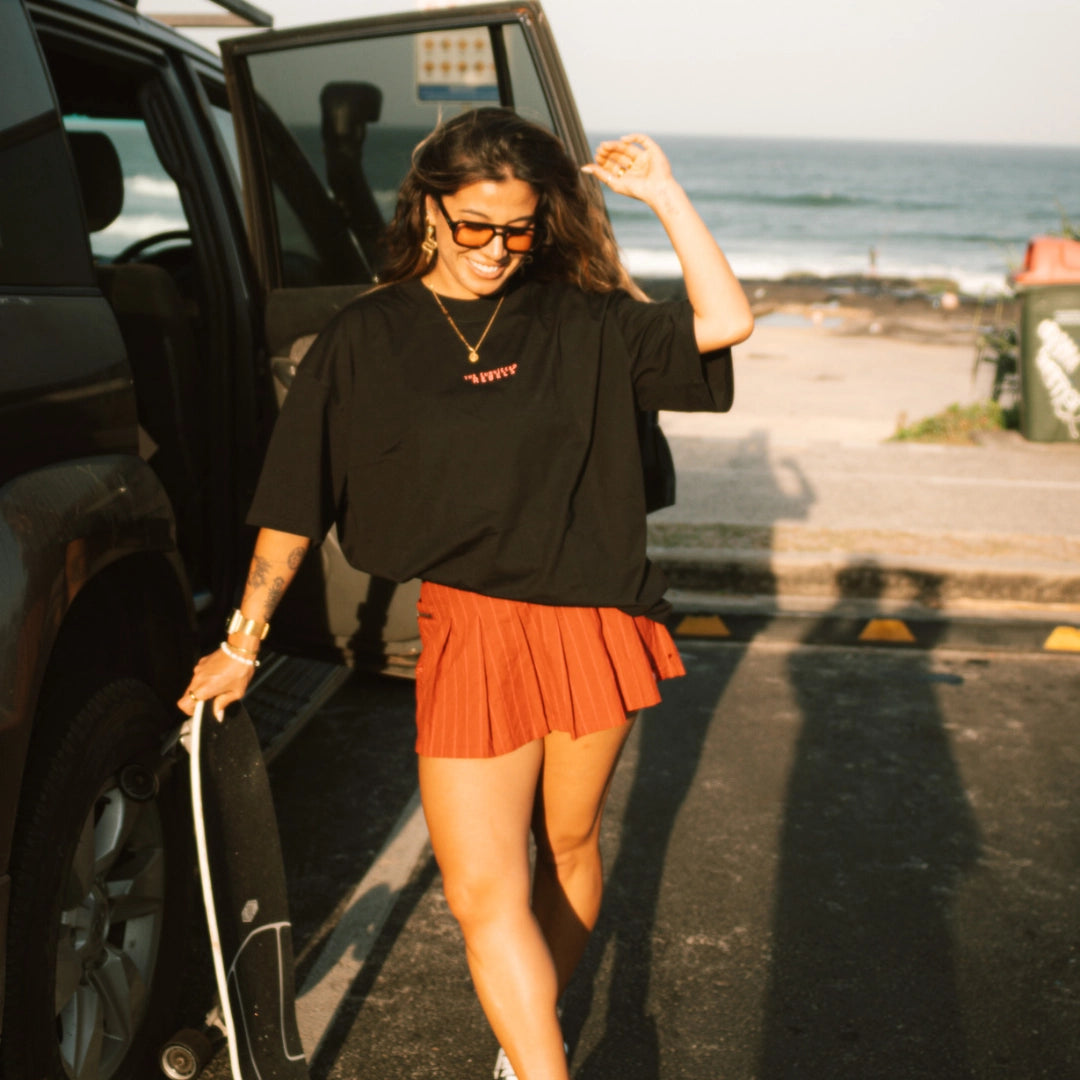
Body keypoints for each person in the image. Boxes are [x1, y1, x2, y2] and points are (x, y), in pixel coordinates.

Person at [178, 107, 752, 1080]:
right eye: (476, 225)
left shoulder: (579, 315)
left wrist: (663, 196)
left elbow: (725, 323)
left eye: (519, 226)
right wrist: (243, 639)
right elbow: (293, 502)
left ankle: (528, 1041)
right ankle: (541, 1068)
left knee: (566, 852)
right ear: (431, 211)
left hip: (592, 624)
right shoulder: (365, 336)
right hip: (471, 631)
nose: (496, 249)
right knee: (483, 892)